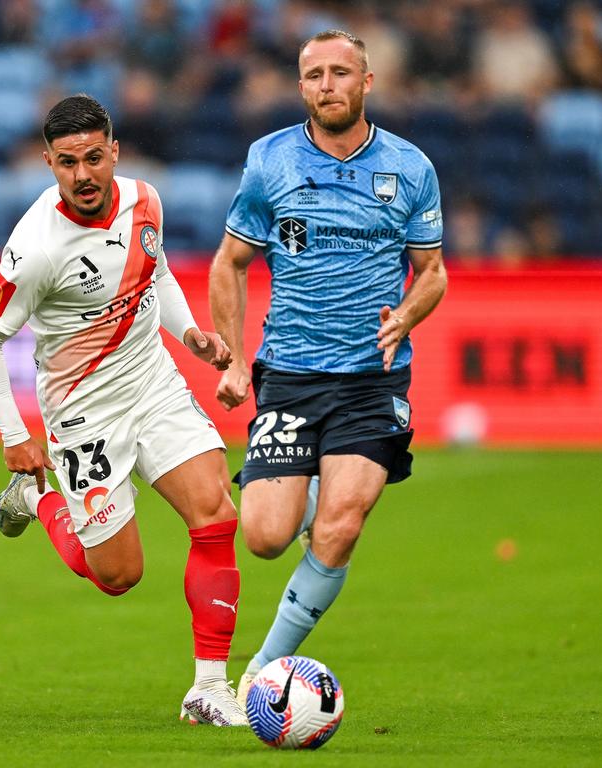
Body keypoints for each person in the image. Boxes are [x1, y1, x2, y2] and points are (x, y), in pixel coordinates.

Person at [0, 95, 247, 726]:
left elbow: (157, 271)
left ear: (115, 152)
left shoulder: (146, 199)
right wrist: (15, 435)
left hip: (152, 382)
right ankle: (36, 498)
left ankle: (208, 689)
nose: (83, 174)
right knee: (119, 575)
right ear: (48, 163)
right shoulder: (37, 248)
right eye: (68, 163)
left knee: (216, 515)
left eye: (94, 158)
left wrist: (192, 335)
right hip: (83, 411)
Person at [207, 30, 448, 706]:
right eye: (314, 74)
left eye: (341, 72)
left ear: (366, 83)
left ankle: (261, 672)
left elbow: (432, 274)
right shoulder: (270, 160)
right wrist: (229, 357)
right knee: (264, 537)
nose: (327, 84)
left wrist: (406, 314)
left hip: (373, 379)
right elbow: (230, 262)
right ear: (301, 85)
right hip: (289, 374)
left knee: (343, 524)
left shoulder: (409, 166)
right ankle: (303, 486)